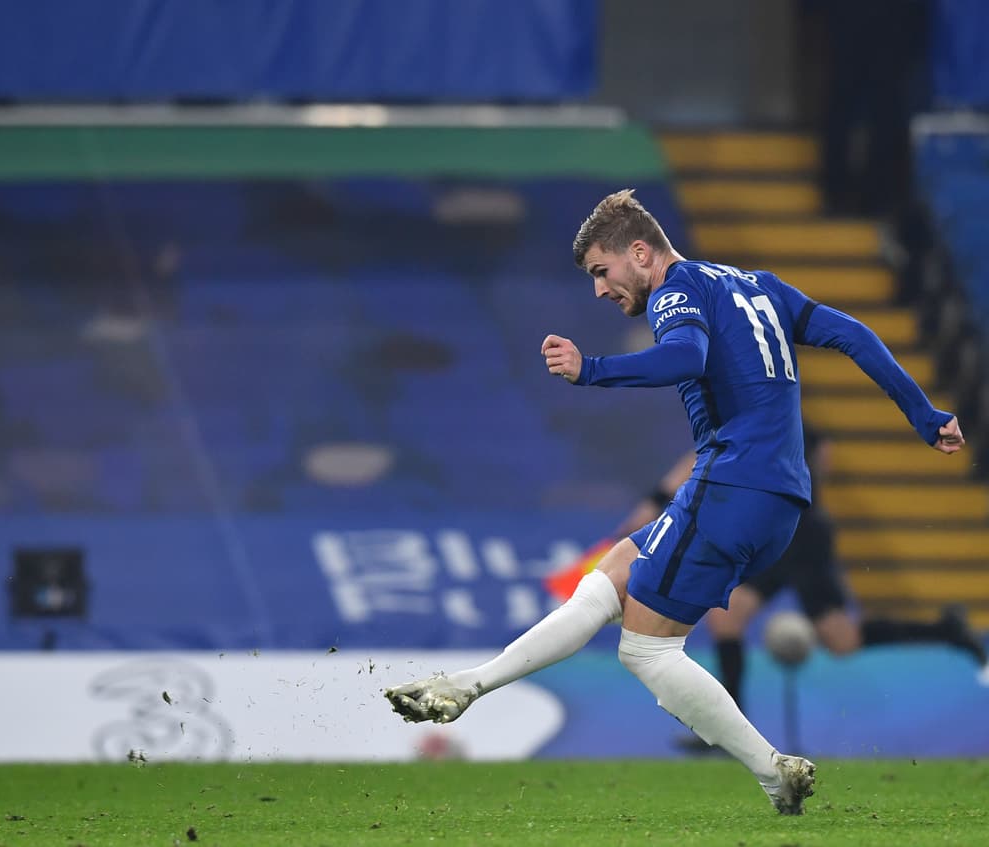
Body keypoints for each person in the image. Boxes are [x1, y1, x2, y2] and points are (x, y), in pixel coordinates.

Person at [384, 189, 965, 815]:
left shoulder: (678, 290)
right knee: (611, 576)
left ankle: (773, 772)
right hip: (776, 500)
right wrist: (923, 413)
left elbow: (686, 355)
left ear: (640, 252)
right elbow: (851, 333)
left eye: (602, 272)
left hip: (733, 485)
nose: (600, 291)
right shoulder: (759, 286)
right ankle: (470, 685)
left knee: (646, 648)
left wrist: (592, 369)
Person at [617, 424, 989, 755]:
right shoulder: (751, 416)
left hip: (802, 535)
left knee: (841, 641)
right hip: (776, 534)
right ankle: (726, 728)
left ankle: (946, 630)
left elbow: (702, 463)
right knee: (726, 618)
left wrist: (654, 504)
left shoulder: (761, 415)